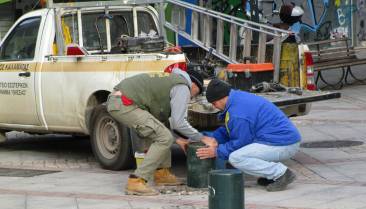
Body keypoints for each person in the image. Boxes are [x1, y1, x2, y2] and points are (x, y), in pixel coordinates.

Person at [106, 68, 216, 196]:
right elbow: (178, 122)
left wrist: (178, 140)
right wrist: (202, 138)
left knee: (161, 133)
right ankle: (136, 181)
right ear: (194, 85)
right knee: (164, 138)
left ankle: (161, 173)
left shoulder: (169, 81)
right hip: (125, 103)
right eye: (197, 92)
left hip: (121, 101)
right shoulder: (182, 86)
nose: (192, 97)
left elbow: (162, 124)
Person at [196, 79, 301, 192]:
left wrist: (217, 152)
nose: (214, 106)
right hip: (280, 140)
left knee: (237, 158)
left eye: (214, 103)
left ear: (221, 97)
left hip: (284, 144)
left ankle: (282, 174)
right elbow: (231, 129)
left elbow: (241, 142)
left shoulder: (237, 113)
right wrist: (214, 138)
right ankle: (272, 175)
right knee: (241, 153)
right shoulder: (236, 99)